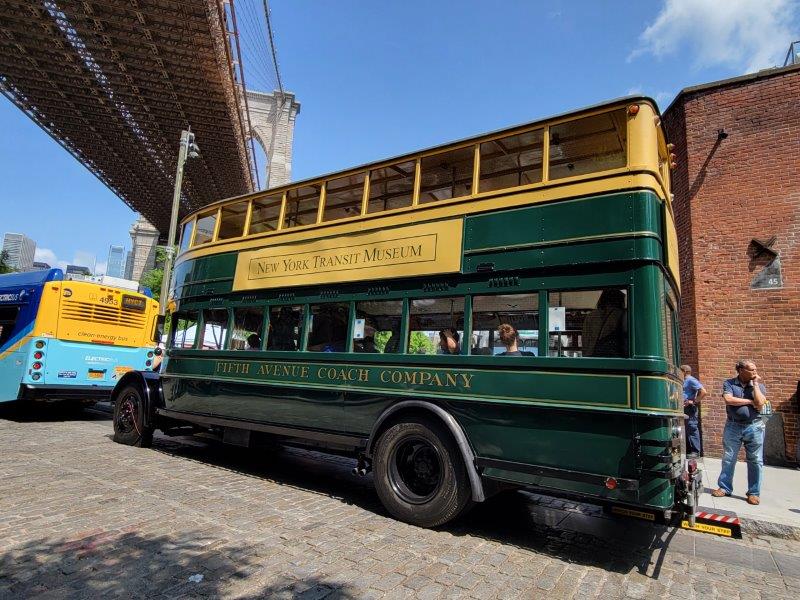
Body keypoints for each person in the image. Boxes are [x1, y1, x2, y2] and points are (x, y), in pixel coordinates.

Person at [712, 360, 768, 505]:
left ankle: (754, 493)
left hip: (754, 426)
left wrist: (755, 385)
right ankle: (724, 488)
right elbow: (728, 400)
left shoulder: (759, 385)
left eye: (756, 369)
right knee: (729, 458)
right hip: (733, 426)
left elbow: (761, 403)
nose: (755, 372)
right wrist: (750, 402)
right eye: (752, 370)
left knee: (756, 460)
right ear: (741, 370)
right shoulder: (729, 383)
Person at [581, 289, 627, 357]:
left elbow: (585, 340)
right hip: (613, 358)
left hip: (591, 357)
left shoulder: (591, 316)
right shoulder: (621, 314)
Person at [680, 364, 707, 457]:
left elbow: (703, 392)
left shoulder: (691, 380)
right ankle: (689, 450)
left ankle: (695, 452)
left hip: (690, 409)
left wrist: (694, 401)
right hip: (684, 408)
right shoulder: (684, 380)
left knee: (692, 428)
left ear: (684, 371)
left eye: (680, 371)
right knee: (687, 429)